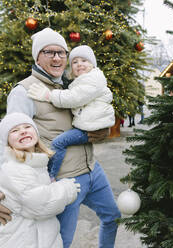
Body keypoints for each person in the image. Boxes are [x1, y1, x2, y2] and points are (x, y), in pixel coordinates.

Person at [0, 27, 121, 248]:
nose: (57, 58)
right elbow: (4, 140)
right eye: (49, 52)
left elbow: (92, 113)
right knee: (60, 242)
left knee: (113, 217)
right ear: (37, 56)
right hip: (64, 180)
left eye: (62, 52)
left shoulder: (71, 85)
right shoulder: (25, 91)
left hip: (92, 170)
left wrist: (103, 130)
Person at [0, 112, 80, 248]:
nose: (23, 132)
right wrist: (67, 188)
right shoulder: (15, 169)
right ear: (8, 142)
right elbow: (41, 205)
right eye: (15, 130)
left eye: (27, 127)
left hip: (36, 236)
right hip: (18, 240)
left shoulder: (36, 163)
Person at [27, 45, 115, 181]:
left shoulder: (92, 80)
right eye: (75, 62)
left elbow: (74, 98)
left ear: (93, 64)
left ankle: (50, 175)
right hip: (89, 128)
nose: (79, 64)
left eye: (84, 61)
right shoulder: (81, 81)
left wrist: (49, 96)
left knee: (58, 143)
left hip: (90, 129)